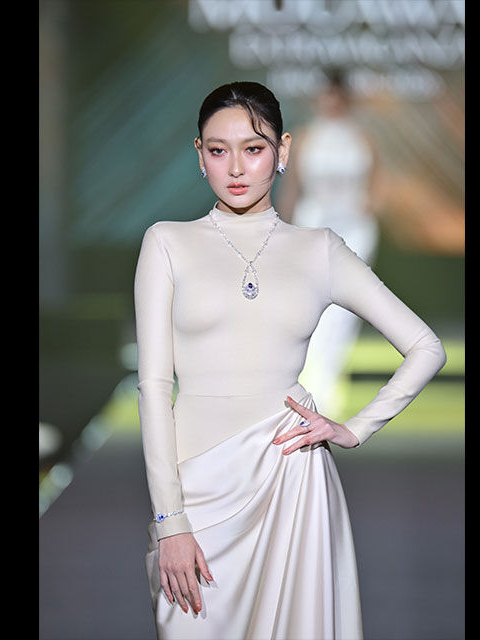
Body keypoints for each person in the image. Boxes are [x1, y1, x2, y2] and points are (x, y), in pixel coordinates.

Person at [135, 81, 446, 639]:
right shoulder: (167, 243)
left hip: (291, 481)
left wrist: (355, 428)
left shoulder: (320, 249)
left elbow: (426, 347)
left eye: (253, 148)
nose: (236, 167)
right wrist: (170, 520)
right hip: (193, 496)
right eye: (218, 149)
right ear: (199, 154)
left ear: (282, 151)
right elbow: (154, 386)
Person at [277, 69, 382, 419]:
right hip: (314, 225)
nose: (332, 102)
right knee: (314, 303)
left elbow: (376, 182)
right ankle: (309, 380)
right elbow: (292, 186)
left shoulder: (362, 138)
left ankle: (330, 381)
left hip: (355, 229)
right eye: (327, 95)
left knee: (347, 306)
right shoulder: (305, 137)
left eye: (338, 96)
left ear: (346, 98)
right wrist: (283, 229)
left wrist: (370, 206)